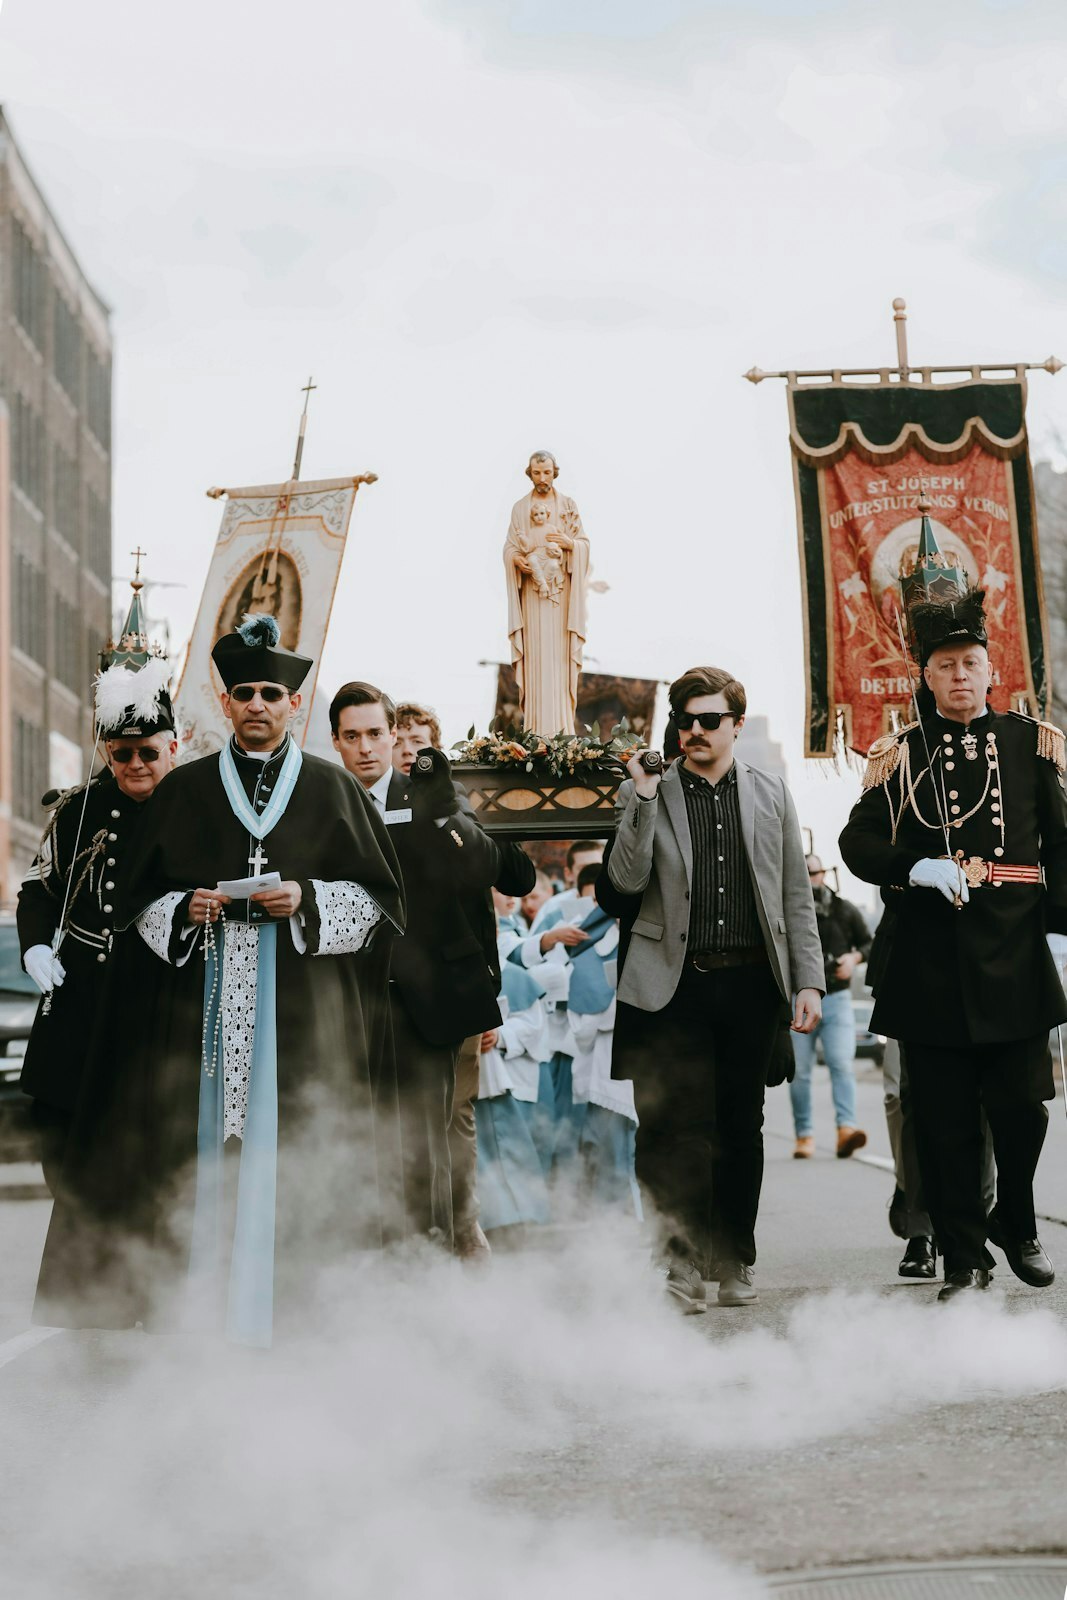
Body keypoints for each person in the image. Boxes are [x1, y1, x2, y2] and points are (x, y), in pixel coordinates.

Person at [35, 617, 406, 1346]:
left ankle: (296, 1318)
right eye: (245, 692)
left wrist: (308, 897)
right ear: (225, 700)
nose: (259, 704)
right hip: (197, 1023)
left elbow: (381, 904)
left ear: (294, 704)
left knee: (303, 1151)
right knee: (197, 1157)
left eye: (272, 692)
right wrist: (184, 908)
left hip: (302, 1021)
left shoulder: (334, 791)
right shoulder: (185, 791)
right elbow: (135, 905)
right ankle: (199, 1313)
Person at [839, 585, 1067, 1300]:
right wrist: (912, 866)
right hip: (930, 965)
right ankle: (964, 1257)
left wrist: (1059, 932)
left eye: (970, 661)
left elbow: (1059, 848)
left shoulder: (1033, 745)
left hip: (1015, 954)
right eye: (945, 665)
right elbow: (857, 841)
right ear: (926, 676)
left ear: (988, 667)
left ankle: (1016, 1221)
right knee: (940, 1124)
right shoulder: (899, 756)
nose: (960, 676)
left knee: (1022, 1110)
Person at [603, 664, 823, 1312]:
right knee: (673, 1133)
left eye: (708, 720)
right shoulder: (647, 789)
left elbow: (794, 895)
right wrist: (641, 799)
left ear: (734, 724)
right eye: (685, 720)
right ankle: (678, 1267)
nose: (694, 731)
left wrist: (806, 980)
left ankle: (732, 1259)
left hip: (750, 984)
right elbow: (622, 881)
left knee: (738, 1130)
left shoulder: (769, 791)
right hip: (671, 990)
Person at [330, 681, 534, 1259]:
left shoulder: (435, 796)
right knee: (357, 1130)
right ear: (336, 742)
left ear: (392, 736)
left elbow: (501, 876)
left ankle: (445, 1243)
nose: (367, 748)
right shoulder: (325, 798)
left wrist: (446, 811)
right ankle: (374, 1254)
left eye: (376, 734)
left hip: (433, 995)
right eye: (353, 737)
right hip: (354, 993)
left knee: (435, 1132)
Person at [16, 579, 178, 1192]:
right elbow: (38, 887)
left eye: (147, 754)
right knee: (62, 1137)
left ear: (172, 745)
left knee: (148, 1147)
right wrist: (34, 945)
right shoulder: (78, 809)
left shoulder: (194, 806)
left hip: (157, 993)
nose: (135, 766)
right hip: (82, 990)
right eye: (121, 754)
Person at [789, 855, 870, 1160]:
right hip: (799, 999)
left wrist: (853, 959)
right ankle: (804, 1135)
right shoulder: (791, 908)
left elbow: (868, 943)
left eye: (815, 873)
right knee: (800, 1073)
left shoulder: (844, 909)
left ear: (824, 874)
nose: (811, 879)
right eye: (805, 873)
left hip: (837, 998)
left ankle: (846, 1130)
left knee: (842, 1064)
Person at [504, 449, 591, 735]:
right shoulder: (520, 508)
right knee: (537, 659)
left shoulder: (567, 505)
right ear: (529, 474)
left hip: (561, 598)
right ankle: (535, 729)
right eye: (537, 472)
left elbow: (583, 544)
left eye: (547, 472)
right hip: (531, 597)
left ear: (555, 472)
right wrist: (515, 559)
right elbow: (511, 546)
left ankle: (562, 731)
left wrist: (569, 544)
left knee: (559, 661)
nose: (542, 478)